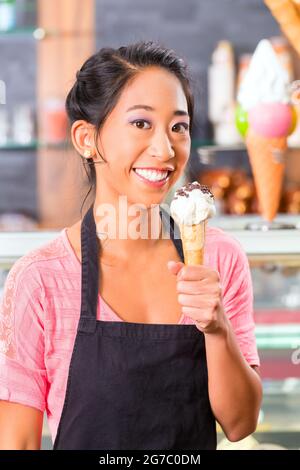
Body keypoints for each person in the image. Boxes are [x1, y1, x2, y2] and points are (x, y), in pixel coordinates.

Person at [0, 41, 262, 450]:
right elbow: (17, 442)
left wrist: (216, 327)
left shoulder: (219, 257)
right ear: (87, 138)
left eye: (179, 127)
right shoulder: (42, 278)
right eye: (141, 123)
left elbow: (241, 423)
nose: (165, 149)